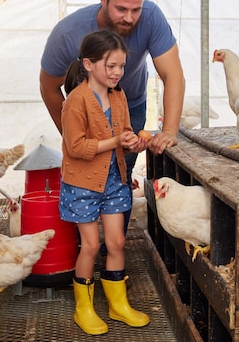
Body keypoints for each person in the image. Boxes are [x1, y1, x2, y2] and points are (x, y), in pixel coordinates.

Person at [40, 0, 185, 248]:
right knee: (85, 175)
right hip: (85, 111)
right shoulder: (68, 34)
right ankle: (83, 247)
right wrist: (71, 134)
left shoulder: (151, 16)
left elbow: (173, 75)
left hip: (130, 104)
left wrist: (169, 130)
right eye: (121, 9)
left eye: (135, 9)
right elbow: (48, 87)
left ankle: (114, 252)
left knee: (120, 174)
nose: (129, 18)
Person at [60, 29, 150, 335]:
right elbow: (75, 147)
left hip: (114, 178)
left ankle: (117, 305)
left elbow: (123, 132)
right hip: (83, 181)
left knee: (117, 242)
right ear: (88, 64)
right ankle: (83, 309)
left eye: (121, 66)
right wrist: (114, 141)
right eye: (110, 66)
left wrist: (132, 141)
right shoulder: (76, 100)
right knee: (91, 245)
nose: (117, 72)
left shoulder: (119, 95)